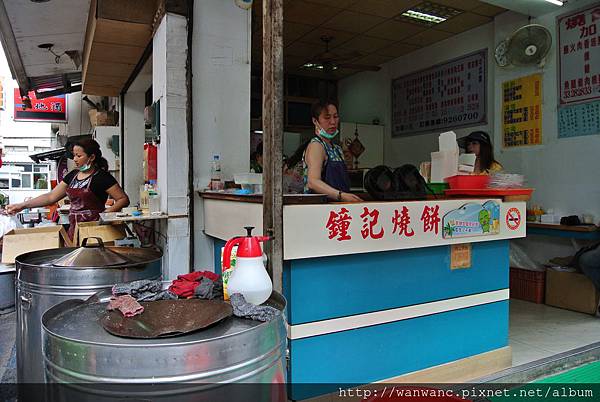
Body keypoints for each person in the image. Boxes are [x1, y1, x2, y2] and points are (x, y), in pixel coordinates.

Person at [6, 139, 130, 240]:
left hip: (96, 229)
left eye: (79, 155)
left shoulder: (102, 177)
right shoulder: (72, 175)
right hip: (74, 229)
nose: (75, 159)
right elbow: (51, 197)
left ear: (91, 157)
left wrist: (105, 215)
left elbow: (123, 199)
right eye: (74, 155)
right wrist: (22, 205)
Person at [303, 100, 362, 202]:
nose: (333, 122)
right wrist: (340, 195)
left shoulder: (337, 149)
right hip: (321, 207)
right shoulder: (317, 146)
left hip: (339, 207)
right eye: (327, 117)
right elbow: (312, 181)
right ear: (315, 121)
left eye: (335, 117)